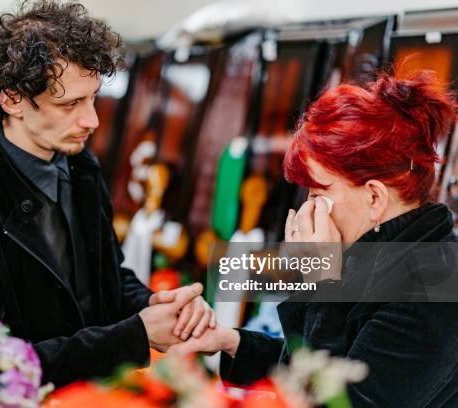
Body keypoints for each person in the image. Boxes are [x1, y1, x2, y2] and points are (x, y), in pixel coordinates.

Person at [0, 0, 214, 387]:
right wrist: (134, 336)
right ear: (12, 100)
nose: (91, 120)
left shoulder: (81, 165)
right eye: (70, 103)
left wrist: (154, 305)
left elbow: (108, 277)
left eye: (92, 98)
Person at [168, 71, 458, 407]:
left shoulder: (434, 288)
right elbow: (331, 363)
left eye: (319, 193)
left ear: (375, 198)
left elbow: (333, 397)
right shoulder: (380, 257)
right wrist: (232, 343)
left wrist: (320, 283)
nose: (309, 209)